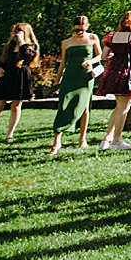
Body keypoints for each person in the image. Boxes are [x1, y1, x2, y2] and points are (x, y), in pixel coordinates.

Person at [48, 16, 102, 156]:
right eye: (77, 29)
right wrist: (57, 81)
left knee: (84, 106)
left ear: (87, 27)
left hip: (85, 77)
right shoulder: (66, 42)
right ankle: (57, 141)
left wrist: (90, 62)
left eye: (83, 29)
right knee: (64, 104)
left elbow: (100, 55)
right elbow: (63, 62)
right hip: (70, 76)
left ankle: (82, 139)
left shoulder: (92, 38)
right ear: (73, 28)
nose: (80, 32)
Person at [96, 12, 131, 150]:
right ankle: (117, 140)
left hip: (113, 71)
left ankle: (107, 138)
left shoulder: (112, 36)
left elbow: (104, 56)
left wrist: (116, 55)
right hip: (129, 72)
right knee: (125, 107)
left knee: (118, 106)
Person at [0, 23, 39, 146]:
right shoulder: (10, 46)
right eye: (13, 31)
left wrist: (22, 41)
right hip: (7, 76)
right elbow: (2, 60)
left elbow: (26, 57)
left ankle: (9, 135)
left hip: (20, 77)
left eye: (18, 31)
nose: (14, 34)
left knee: (16, 105)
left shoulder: (30, 46)